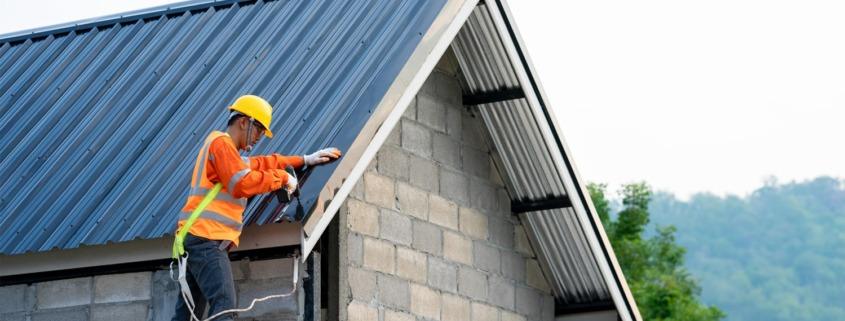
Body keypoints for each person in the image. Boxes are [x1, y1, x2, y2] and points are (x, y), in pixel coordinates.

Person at [171, 95, 341, 321]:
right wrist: (281, 179)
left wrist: (304, 160)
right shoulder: (221, 144)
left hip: (197, 240)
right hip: (206, 240)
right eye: (259, 129)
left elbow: (264, 162)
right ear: (244, 122)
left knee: (185, 316)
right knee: (224, 307)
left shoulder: (228, 153)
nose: (260, 137)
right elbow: (241, 183)